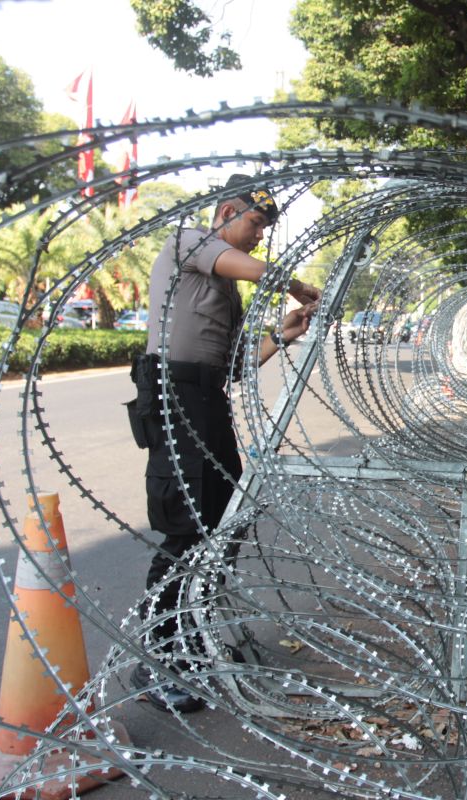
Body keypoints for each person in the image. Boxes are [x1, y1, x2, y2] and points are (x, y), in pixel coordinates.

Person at [127, 174, 320, 713]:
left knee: (219, 523)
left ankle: (193, 637)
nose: (259, 235)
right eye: (255, 222)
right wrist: (298, 285)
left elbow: (235, 365)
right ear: (228, 210)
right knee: (185, 526)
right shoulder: (188, 241)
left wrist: (284, 333)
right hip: (175, 395)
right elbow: (258, 270)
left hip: (207, 400)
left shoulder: (225, 288)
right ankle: (158, 656)